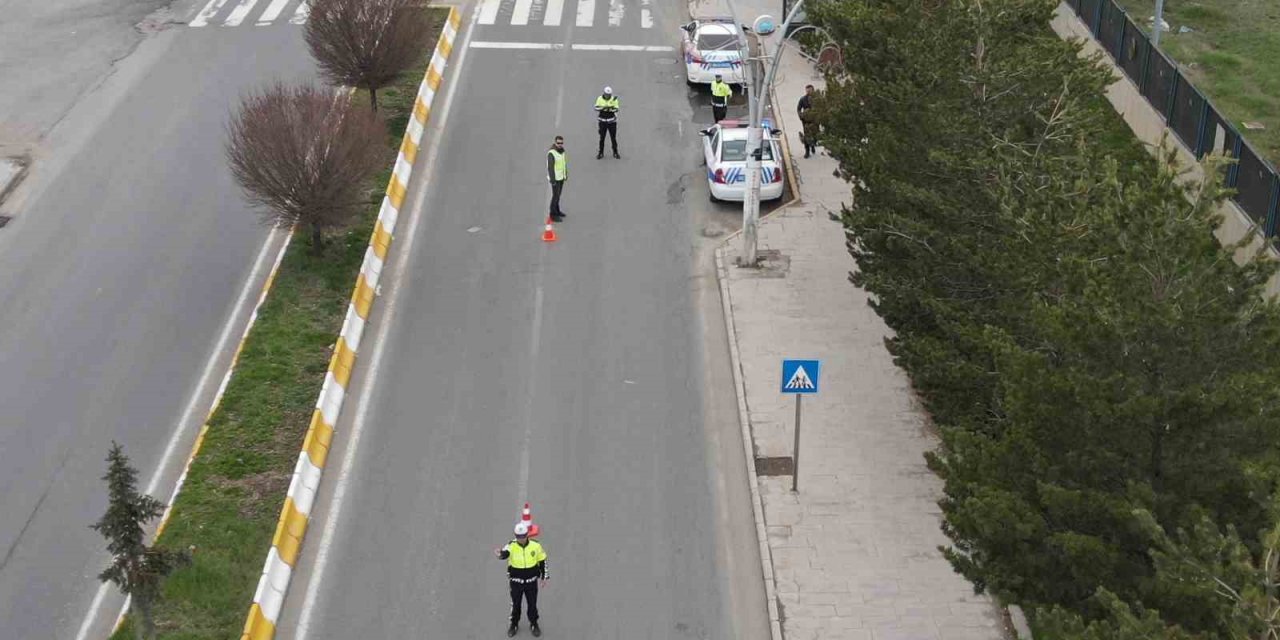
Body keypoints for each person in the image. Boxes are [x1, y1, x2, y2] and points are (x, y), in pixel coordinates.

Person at [495, 522, 548, 637]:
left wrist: (544, 576)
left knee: (532, 605)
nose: (521, 539)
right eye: (518, 536)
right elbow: (504, 554)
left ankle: (534, 623)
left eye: (523, 536)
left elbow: (543, 560)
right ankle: (514, 624)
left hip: (531, 582)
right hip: (516, 583)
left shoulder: (536, 545)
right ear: (515, 536)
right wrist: (500, 554)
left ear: (527, 534)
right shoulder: (511, 545)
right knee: (515, 605)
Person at [594, 86, 621, 159]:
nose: (607, 96)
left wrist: (609, 109)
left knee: (613, 138)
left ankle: (615, 152)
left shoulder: (614, 99)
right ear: (604, 93)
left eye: (609, 95)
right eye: (606, 94)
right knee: (602, 138)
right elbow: (596, 107)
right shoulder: (599, 98)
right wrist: (603, 108)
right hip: (602, 122)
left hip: (612, 122)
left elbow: (616, 109)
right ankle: (600, 153)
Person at [546, 136, 567, 222]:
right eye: (558, 143)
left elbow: (563, 164)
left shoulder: (562, 151)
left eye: (561, 143)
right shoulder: (552, 153)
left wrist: (565, 174)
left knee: (558, 195)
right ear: (555, 143)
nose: (560, 145)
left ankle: (557, 211)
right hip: (555, 179)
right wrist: (553, 180)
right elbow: (550, 168)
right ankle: (552, 214)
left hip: (561, 177)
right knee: (555, 196)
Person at [797, 84, 818, 158]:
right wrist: (801, 116)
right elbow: (799, 109)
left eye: (810, 91)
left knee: (815, 135)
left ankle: (813, 145)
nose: (808, 92)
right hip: (806, 121)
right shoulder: (803, 99)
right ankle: (807, 151)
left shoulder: (817, 99)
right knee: (806, 136)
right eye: (807, 91)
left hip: (815, 120)